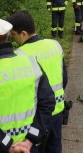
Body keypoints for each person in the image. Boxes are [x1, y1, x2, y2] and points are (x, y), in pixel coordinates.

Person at [0, 16, 55, 153]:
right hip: (29, 148)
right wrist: (29, 141)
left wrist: (8, 145)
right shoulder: (31, 63)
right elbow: (48, 103)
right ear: (8, 37)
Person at [8, 11, 68, 153]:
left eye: (14, 35)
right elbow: (64, 78)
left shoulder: (19, 56)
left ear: (23, 33)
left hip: (36, 118)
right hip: (58, 112)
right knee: (55, 148)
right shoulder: (55, 45)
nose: (13, 39)